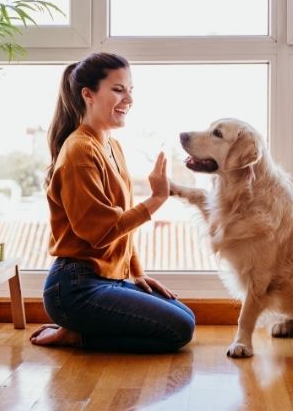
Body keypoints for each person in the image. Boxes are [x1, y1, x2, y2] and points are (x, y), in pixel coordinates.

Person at [29, 52, 196, 352]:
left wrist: (137, 272)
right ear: (88, 95)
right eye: (118, 89)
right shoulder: (79, 151)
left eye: (130, 90)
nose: (128, 99)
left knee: (185, 316)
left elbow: (121, 228)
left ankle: (80, 330)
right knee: (179, 329)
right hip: (74, 287)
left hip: (108, 278)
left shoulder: (111, 145)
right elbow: (100, 232)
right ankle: (76, 334)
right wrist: (157, 199)